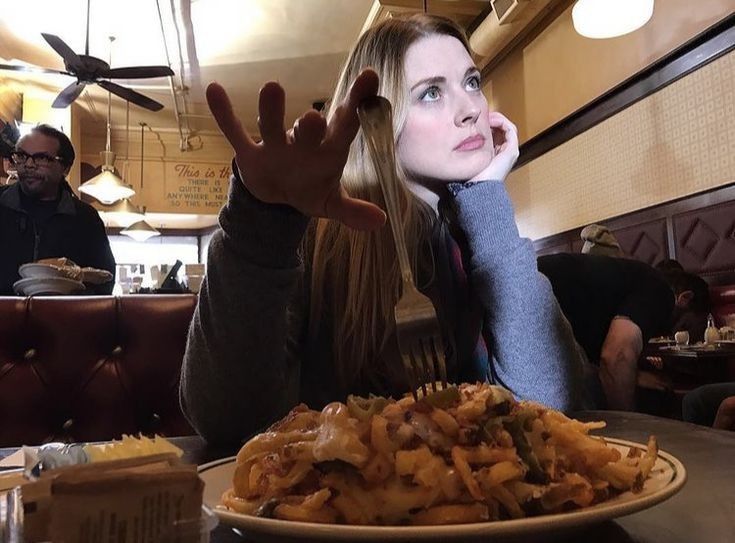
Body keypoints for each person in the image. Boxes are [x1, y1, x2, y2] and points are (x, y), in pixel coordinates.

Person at [181, 14, 584, 445]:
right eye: (431, 93)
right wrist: (259, 221)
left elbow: (549, 403)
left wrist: (486, 197)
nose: (471, 110)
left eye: (471, 82)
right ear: (379, 121)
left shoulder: (475, 232)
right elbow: (225, 421)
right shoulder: (317, 240)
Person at [537, 253, 674, 410]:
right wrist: (630, 428)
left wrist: (632, 376)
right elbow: (617, 357)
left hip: (525, 287)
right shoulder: (661, 291)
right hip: (532, 297)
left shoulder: (621, 285)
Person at [0, 124, 116, 295]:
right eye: (22, 156)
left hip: (63, 318)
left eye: (42, 158)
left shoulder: (84, 219)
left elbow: (104, 279)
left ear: (65, 168)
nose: (29, 165)